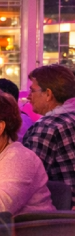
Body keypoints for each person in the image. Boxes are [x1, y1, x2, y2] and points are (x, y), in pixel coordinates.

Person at [22, 64, 75, 198]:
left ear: (48, 94)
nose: (28, 97)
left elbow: (26, 179)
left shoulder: (46, 128)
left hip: (62, 208)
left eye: (32, 91)